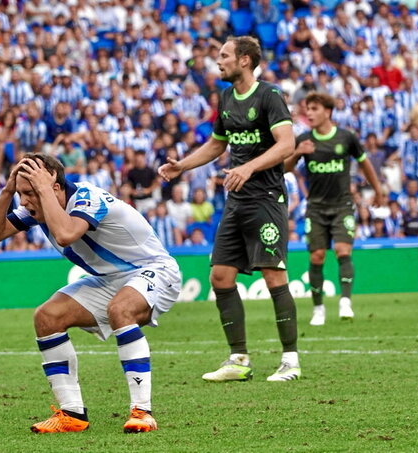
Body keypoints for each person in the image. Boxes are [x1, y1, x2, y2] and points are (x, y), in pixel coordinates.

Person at [0, 153, 181, 433]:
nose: (24, 201)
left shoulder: (88, 197)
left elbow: (65, 234)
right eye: (21, 193)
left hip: (154, 269)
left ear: (53, 187)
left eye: (29, 192)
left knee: (120, 310)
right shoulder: (35, 207)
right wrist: (7, 190)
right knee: (47, 317)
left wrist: (41, 190)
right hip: (109, 279)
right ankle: (72, 414)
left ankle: (142, 412)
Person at [158, 36, 300, 382]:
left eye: (224, 56)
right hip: (235, 202)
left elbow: (287, 144)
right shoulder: (224, 98)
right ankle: (238, 359)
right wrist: (184, 166)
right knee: (220, 276)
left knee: (273, 276)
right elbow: (217, 144)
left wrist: (249, 168)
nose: (217, 61)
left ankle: (291, 361)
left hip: (266, 198)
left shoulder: (270, 96)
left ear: (246, 60)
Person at [285, 92, 383, 326]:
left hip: (342, 206)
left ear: (327, 112)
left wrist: (378, 190)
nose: (309, 113)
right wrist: (298, 153)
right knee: (317, 256)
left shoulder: (346, 138)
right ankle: (318, 308)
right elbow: (284, 168)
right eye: (307, 109)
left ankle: (345, 302)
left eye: (314, 109)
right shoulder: (305, 139)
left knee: (342, 250)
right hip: (316, 208)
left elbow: (364, 163)